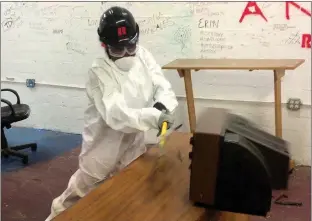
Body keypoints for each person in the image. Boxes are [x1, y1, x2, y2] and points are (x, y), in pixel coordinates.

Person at [45, 6, 178, 220]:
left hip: (133, 145)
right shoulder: (99, 72)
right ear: (104, 46)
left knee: (124, 195)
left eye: (130, 46)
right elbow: (117, 113)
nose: (126, 54)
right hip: (102, 148)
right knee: (76, 197)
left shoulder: (143, 56)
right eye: (118, 50)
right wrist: (153, 117)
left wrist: (162, 106)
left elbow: (161, 85)